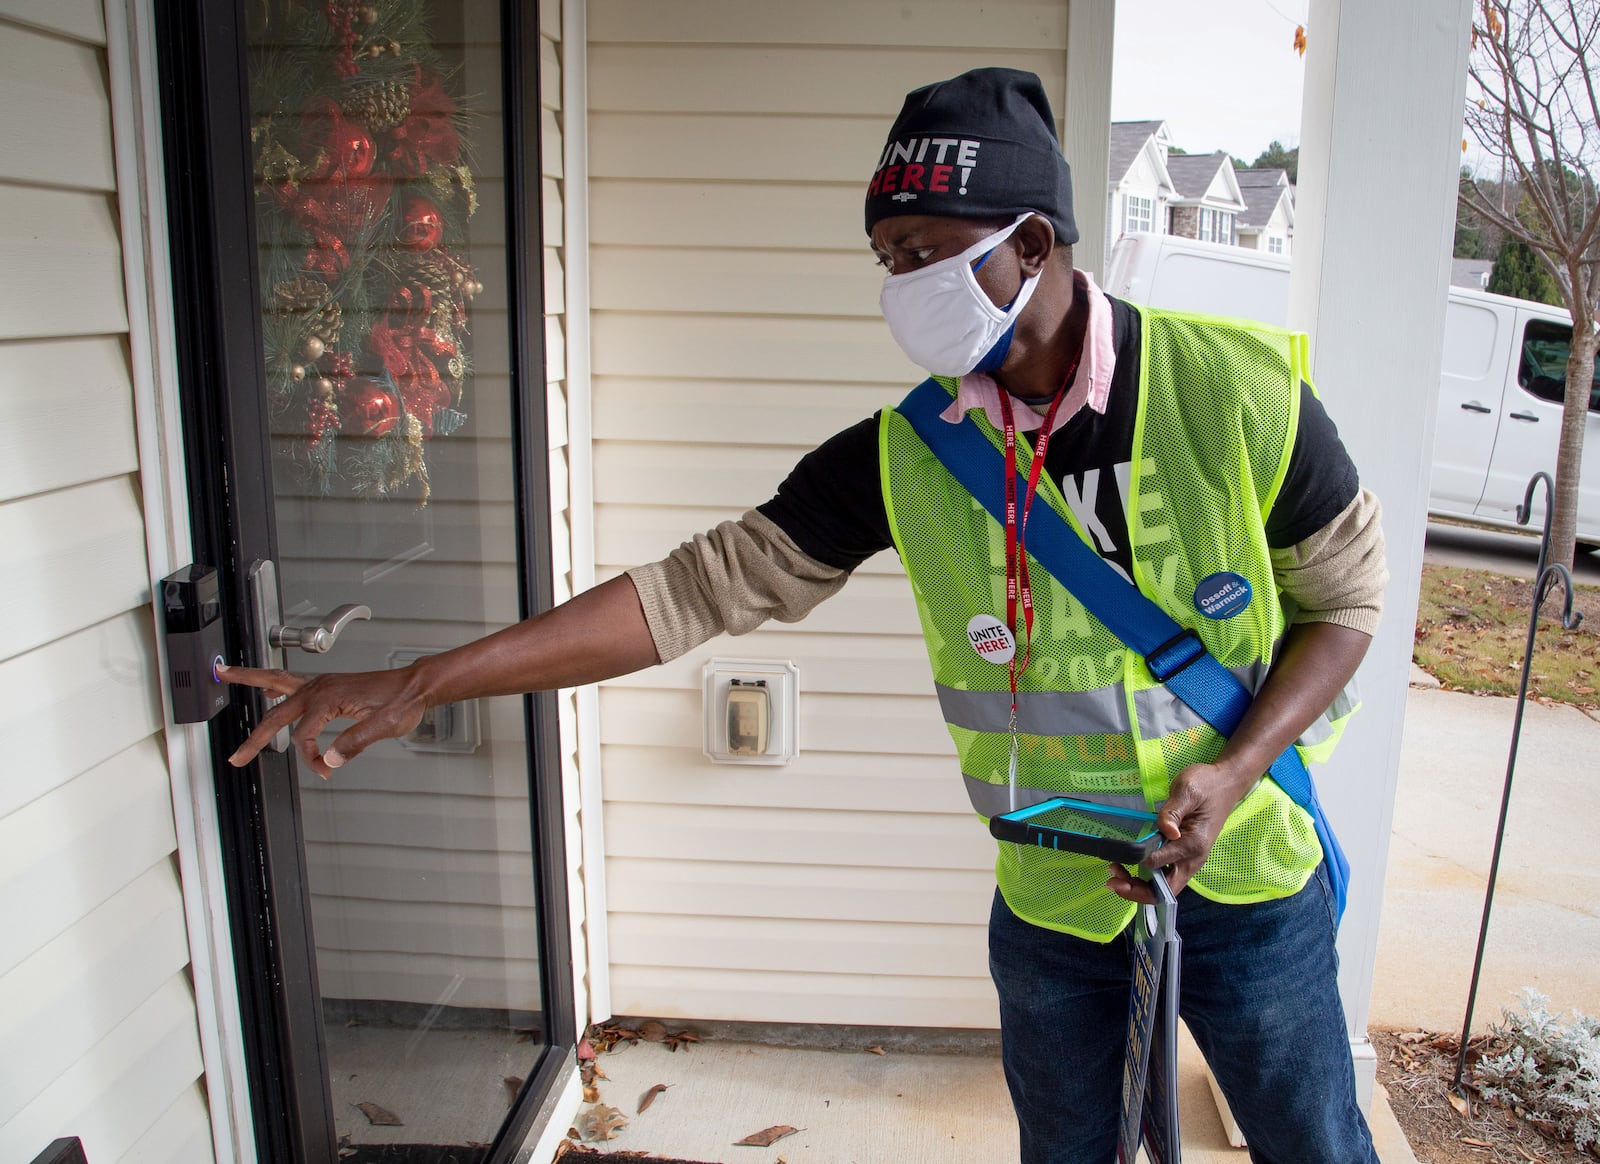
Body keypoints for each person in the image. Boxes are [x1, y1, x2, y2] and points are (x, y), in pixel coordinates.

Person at [225, 68, 1388, 1163]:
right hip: (1057, 902)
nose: (900, 287)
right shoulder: (912, 454)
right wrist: (423, 680)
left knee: (1312, 1144)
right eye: (887, 259)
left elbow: (1345, 604)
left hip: (1248, 883)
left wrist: (1236, 770)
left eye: (926, 253)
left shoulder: (1235, 395)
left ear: (1029, 244)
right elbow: (693, 590)